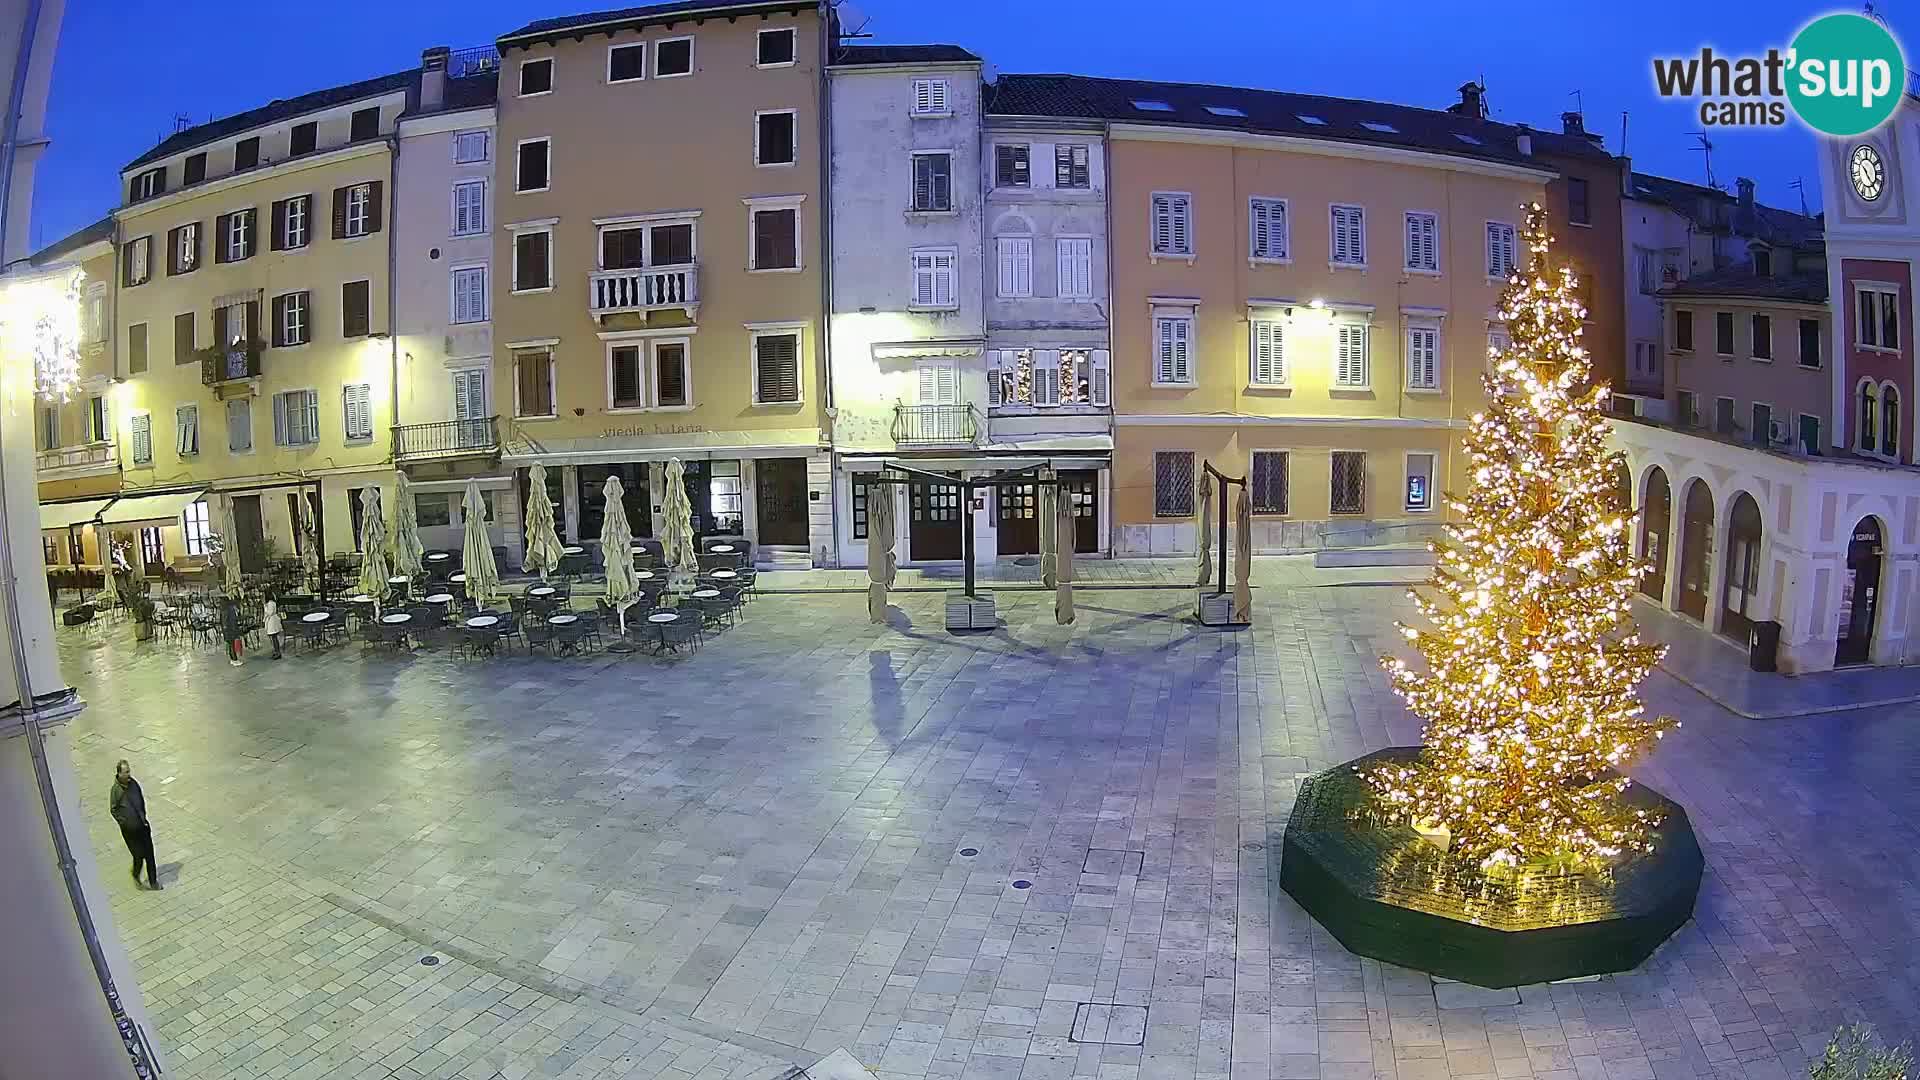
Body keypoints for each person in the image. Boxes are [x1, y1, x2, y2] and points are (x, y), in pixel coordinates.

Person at [109, 760, 159, 890]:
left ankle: (153, 882)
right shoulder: (116, 791)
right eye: (126, 772)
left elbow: (140, 799)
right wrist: (124, 822)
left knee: (149, 854)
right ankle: (135, 874)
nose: (128, 774)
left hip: (142, 825)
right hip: (129, 830)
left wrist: (143, 816)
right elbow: (113, 810)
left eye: (129, 771)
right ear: (119, 773)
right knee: (138, 855)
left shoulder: (134, 784)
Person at [221, 595, 243, 666]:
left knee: (231, 645)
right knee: (232, 645)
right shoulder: (230, 609)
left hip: (227, 630)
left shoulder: (224, 609)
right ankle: (235, 660)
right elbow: (231, 620)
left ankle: (232, 659)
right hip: (230, 630)